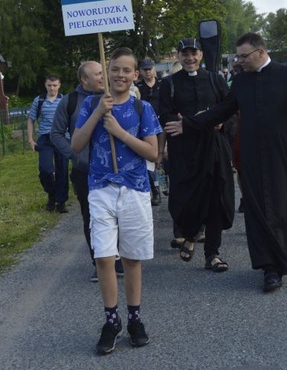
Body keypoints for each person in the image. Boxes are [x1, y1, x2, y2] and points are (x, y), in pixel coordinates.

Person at [164, 32, 287, 293]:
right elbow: (221, 111)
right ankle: (270, 267)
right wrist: (188, 124)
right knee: (257, 210)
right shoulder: (241, 81)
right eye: (238, 56)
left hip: (283, 152)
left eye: (243, 56)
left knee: (281, 208)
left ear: (260, 52)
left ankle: (276, 259)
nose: (239, 61)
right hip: (251, 153)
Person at [71, 48, 161, 355]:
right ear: (106, 74)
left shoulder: (142, 108)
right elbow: (76, 145)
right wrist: (98, 114)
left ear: (136, 75)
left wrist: (119, 132)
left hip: (135, 188)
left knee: (132, 258)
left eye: (126, 70)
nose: (120, 75)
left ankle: (135, 317)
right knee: (105, 257)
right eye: (114, 70)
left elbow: (152, 153)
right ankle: (112, 320)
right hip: (100, 188)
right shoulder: (92, 105)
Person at [158, 38, 235, 273]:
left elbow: (230, 109)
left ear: (201, 55)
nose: (189, 58)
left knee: (215, 201)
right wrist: (198, 123)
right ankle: (190, 235)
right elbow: (167, 119)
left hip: (213, 149)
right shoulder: (169, 84)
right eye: (185, 54)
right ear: (178, 57)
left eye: (194, 53)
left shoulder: (215, 79)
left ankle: (213, 254)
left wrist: (219, 123)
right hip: (185, 152)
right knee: (186, 200)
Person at [50, 62, 124, 282]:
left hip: (114, 168)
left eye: (104, 72)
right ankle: (100, 262)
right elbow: (56, 134)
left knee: (118, 214)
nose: (103, 77)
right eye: (98, 74)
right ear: (84, 79)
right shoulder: (70, 102)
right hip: (85, 171)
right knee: (92, 218)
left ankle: (117, 257)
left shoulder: (113, 96)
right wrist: (76, 156)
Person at [27, 74, 69, 213]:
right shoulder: (39, 101)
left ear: (59, 85)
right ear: (45, 85)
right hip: (45, 138)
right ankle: (51, 194)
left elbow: (71, 120)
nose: (52, 88)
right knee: (45, 169)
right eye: (49, 85)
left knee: (62, 170)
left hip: (62, 138)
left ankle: (61, 201)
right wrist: (31, 139)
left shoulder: (64, 100)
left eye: (55, 85)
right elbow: (31, 120)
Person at [136, 58, 162, 206]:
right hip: (146, 128)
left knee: (164, 158)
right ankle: (155, 190)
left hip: (162, 126)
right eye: (145, 69)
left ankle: (165, 183)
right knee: (150, 162)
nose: (148, 71)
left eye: (150, 68)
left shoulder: (163, 84)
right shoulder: (138, 87)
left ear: (154, 69)